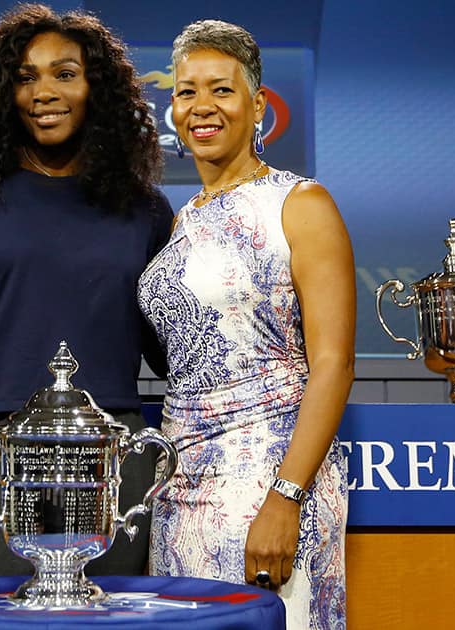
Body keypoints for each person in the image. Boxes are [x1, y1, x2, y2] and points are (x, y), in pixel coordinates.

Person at [0, 3, 171, 579]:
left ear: (97, 88)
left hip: (114, 459)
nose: (44, 92)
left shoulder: (143, 208)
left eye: (64, 74)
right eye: (25, 77)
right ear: (3, 94)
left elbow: (174, 351)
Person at [137, 19, 354, 629]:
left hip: (268, 482)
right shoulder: (183, 218)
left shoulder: (301, 204)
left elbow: (334, 365)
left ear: (258, 104)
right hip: (179, 487)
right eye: (185, 91)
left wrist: (286, 498)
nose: (200, 107)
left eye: (221, 90)